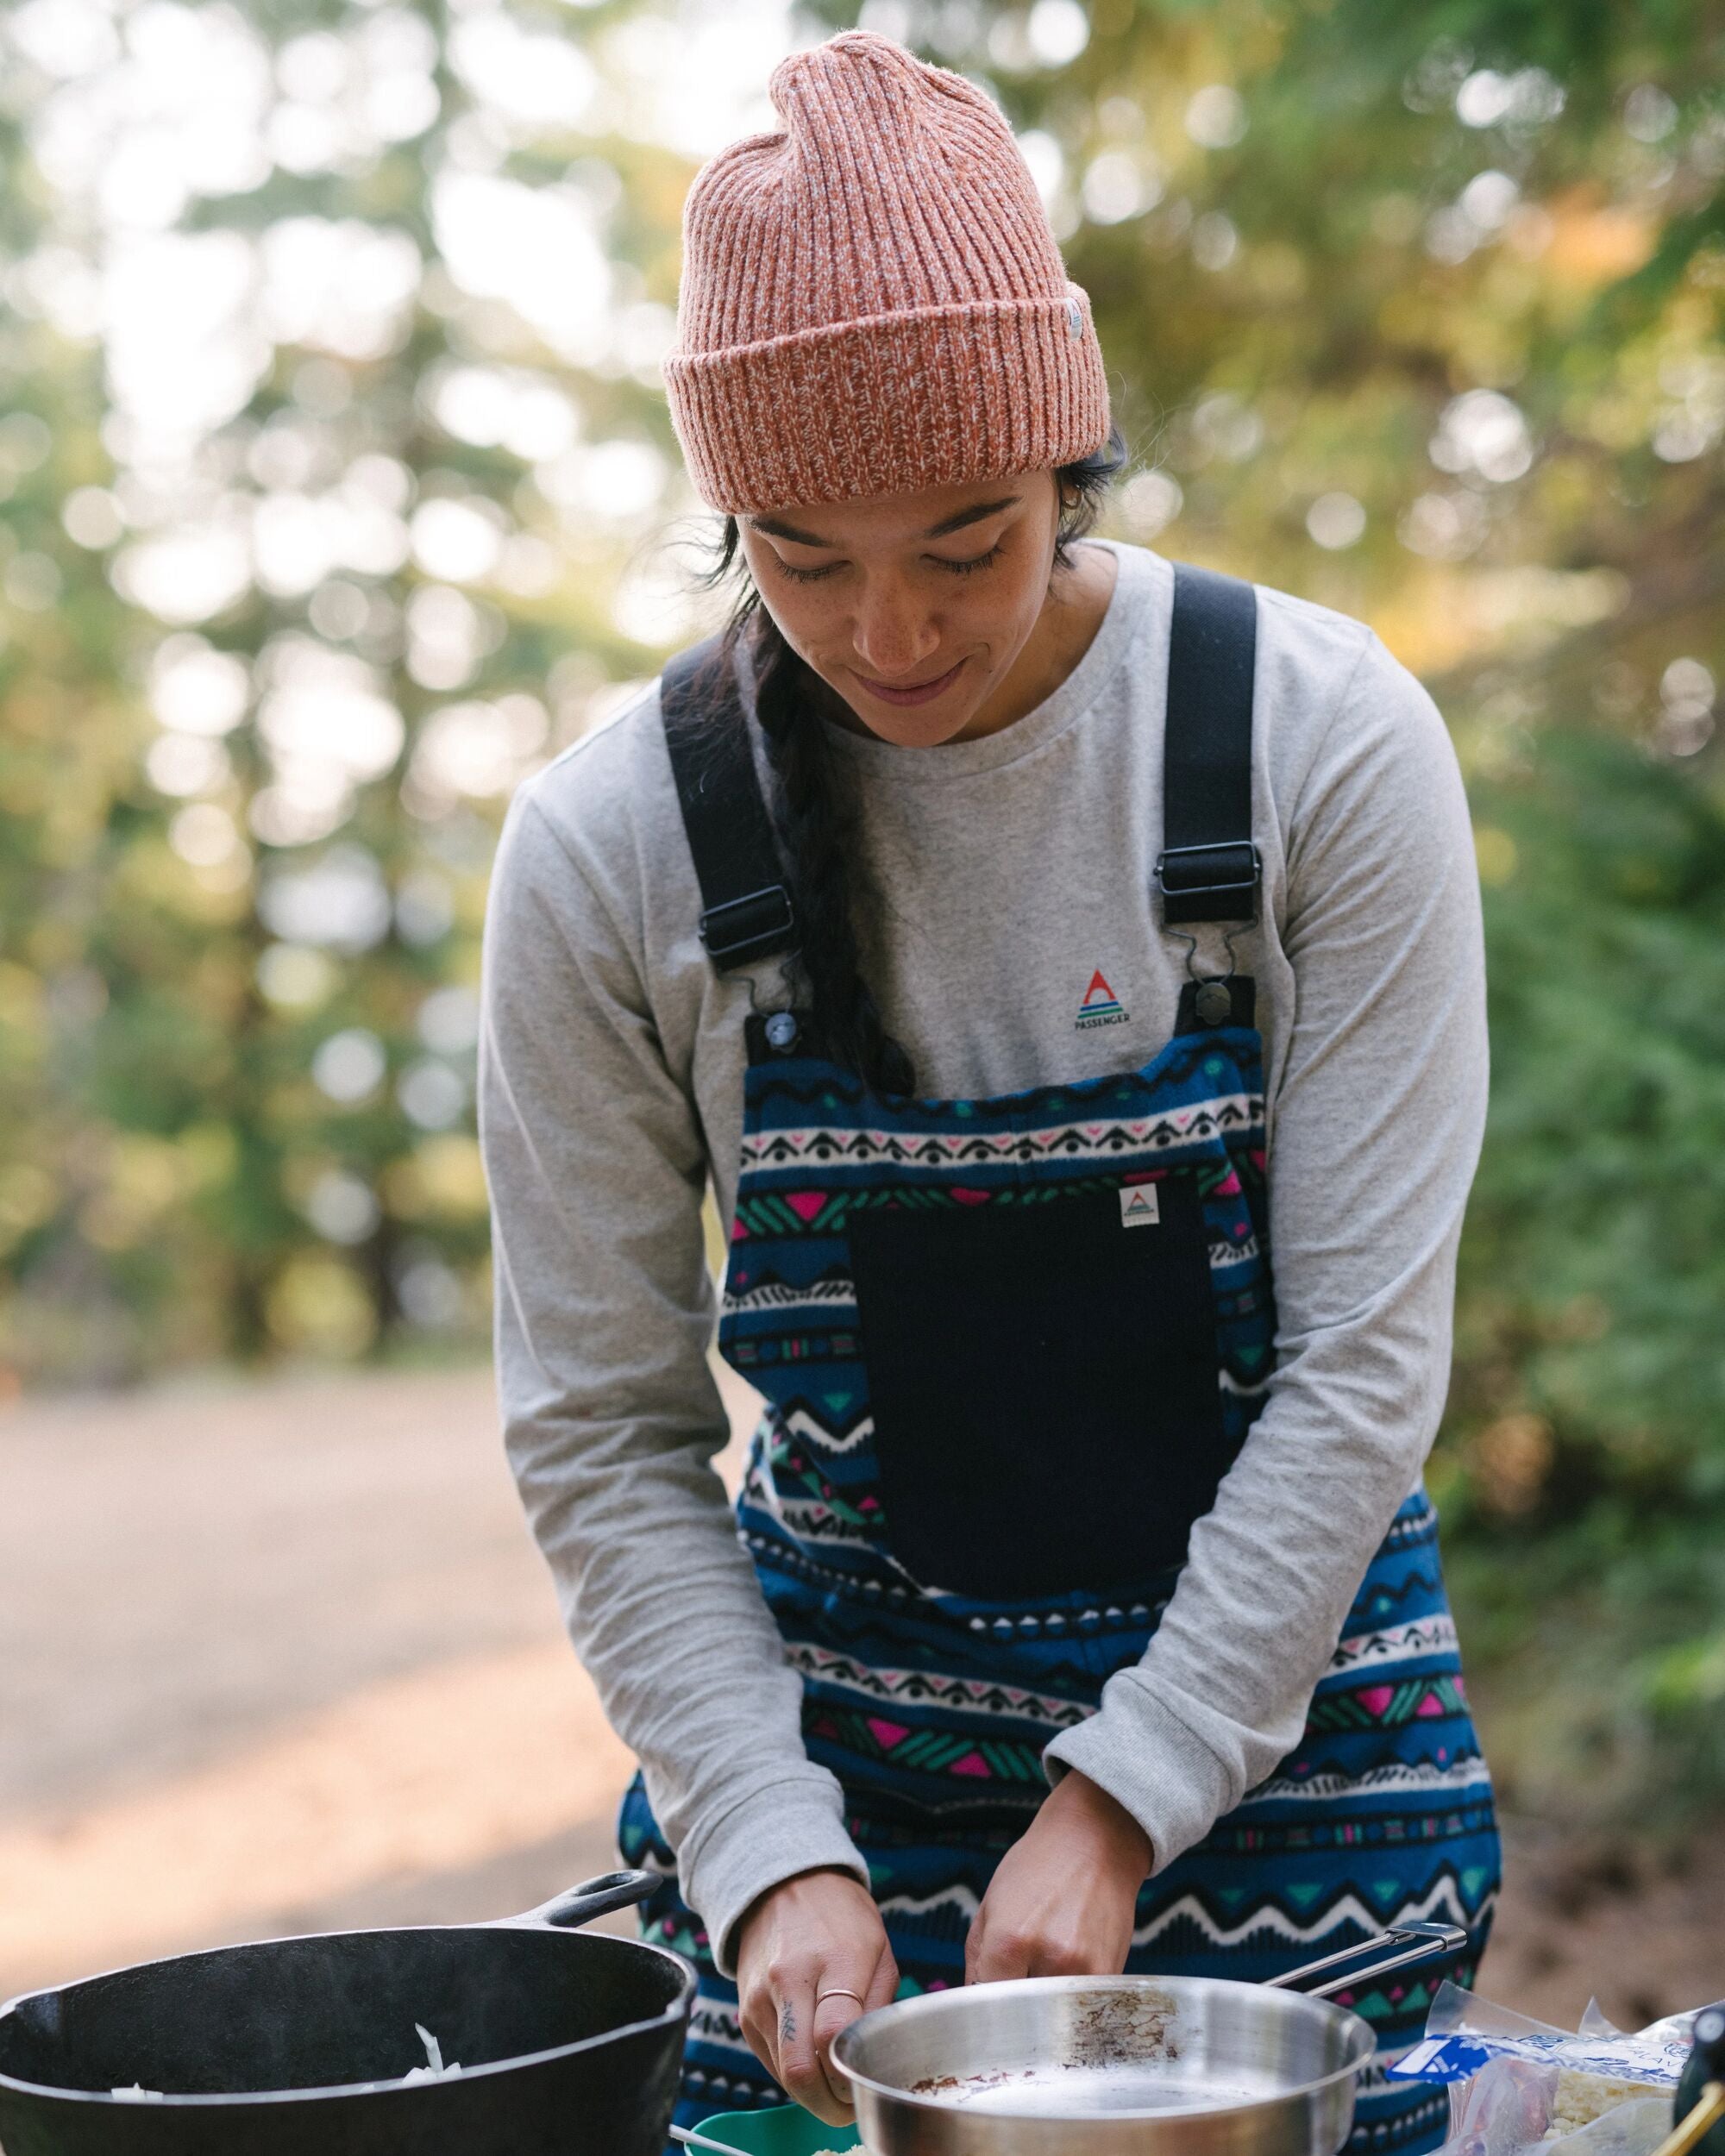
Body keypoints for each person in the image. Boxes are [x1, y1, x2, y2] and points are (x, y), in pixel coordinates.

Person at [478, 28, 1500, 2153]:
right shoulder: (607, 848)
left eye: (967, 538)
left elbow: (1362, 1359)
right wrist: (762, 1843)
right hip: (832, 1786)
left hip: (1301, 1772)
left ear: (1071, 456)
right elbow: (604, 1426)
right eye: (801, 555)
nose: (890, 632)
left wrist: (1120, 1793)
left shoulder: (1312, 741)